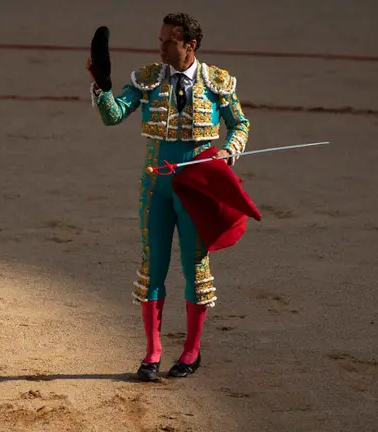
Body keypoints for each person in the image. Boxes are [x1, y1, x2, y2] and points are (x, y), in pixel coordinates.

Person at [86, 13, 252, 381]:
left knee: (196, 268)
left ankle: (191, 350)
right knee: (153, 266)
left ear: (189, 45)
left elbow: (239, 124)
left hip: (197, 191)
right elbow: (113, 116)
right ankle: (152, 352)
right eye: (160, 40)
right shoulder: (148, 79)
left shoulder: (217, 82)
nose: (160, 47)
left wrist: (230, 150)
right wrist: (102, 87)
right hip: (156, 190)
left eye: (168, 42)